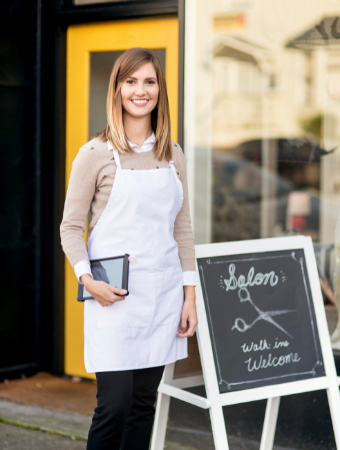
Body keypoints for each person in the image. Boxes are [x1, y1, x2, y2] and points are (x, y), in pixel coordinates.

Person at [60, 47, 198, 450]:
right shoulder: (94, 154)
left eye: (150, 82)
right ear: (117, 89)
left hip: (163, 296)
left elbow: (183, 229)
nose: (141, 91)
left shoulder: (173, 155)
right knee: (114, 407)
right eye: (131, 81)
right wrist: (87, 280)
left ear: (160, 90)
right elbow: (70, 228)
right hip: (112, 299)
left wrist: (189, 296)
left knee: (142, 405)